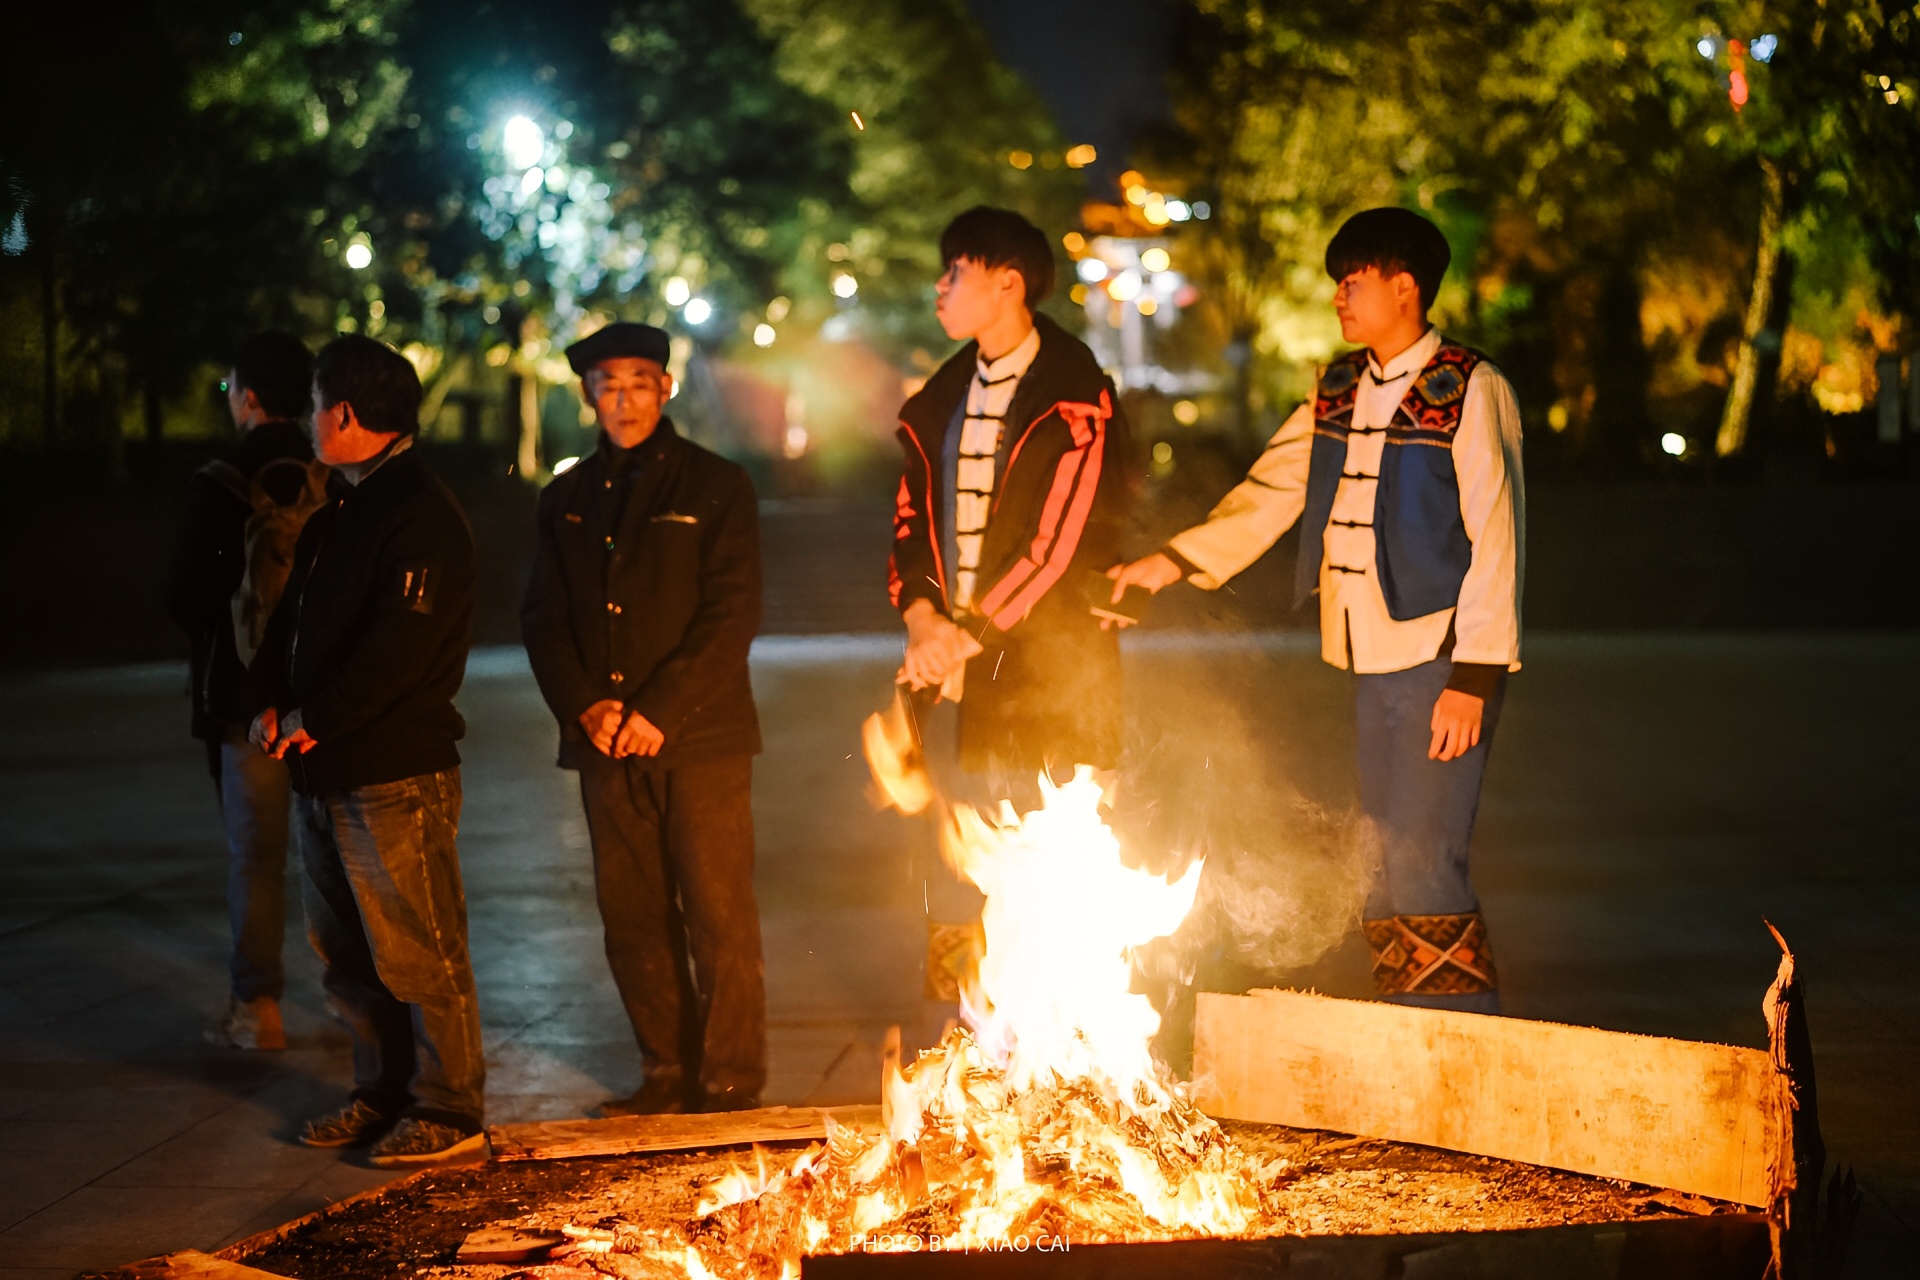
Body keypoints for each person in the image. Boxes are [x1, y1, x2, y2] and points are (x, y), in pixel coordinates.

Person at [1110, 207, 1523, 1015]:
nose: (1340, 296)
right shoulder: (1337, 386)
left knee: (1427, 862)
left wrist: (1474, 673)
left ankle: (1461, 1051)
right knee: (1381, 862)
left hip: (1442, 658)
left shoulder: (1471, 387)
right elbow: (1271, 491)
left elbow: (1499, 529)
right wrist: (1172, 562)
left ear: (1405, 287)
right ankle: (1402, 1044)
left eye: (1354, 281)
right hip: (1368, 658)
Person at [887, 206, 1133, 1017]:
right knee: (968, 845)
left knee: (1051, 841)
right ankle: (977, 1045)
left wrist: (964, 635)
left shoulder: (1074, 395)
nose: (939, 288)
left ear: (1008, 284)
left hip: (1053, 667)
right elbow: (911, 519)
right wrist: (925, 619)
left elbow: (1054, 543)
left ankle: (1070, 1039)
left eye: (953, 272)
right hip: (963, 660)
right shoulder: (942, 398)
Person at [248, 335, 486, 1164]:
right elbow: (289, 629)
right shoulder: (340, 509)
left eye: (316, 406)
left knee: (418, 948)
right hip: (325, 768)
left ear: (345, 413)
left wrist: (318, 714)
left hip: (394, 772)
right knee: (346, 952)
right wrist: (270, 703)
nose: (310, 422)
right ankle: (381, 1093)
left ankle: (449, 1108)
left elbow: (399, 651)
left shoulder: (419, 511)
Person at [521, 323, 766, 1116]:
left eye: (638, 381)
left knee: (717, 912)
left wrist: (659, 708)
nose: (623, 398)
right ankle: (664, 1071)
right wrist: (586, 704)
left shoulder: (715, 486)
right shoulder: (563, 501)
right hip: (603, 743)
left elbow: (732, 612)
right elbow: (543, 617)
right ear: (588, 394)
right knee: (630, 915)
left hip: (701, 737)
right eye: (606, 384)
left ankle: (729, 1079)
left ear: (665, 388)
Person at [163, 331, 323, 1051]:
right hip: (325, 695)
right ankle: (368, 1006)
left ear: (250, 396)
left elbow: (184, 594)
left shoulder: (222, 480)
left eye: (231, 386)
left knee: (256, 857)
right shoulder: (334, 472)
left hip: (240, 702)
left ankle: (258, 1010)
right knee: (339, 853)